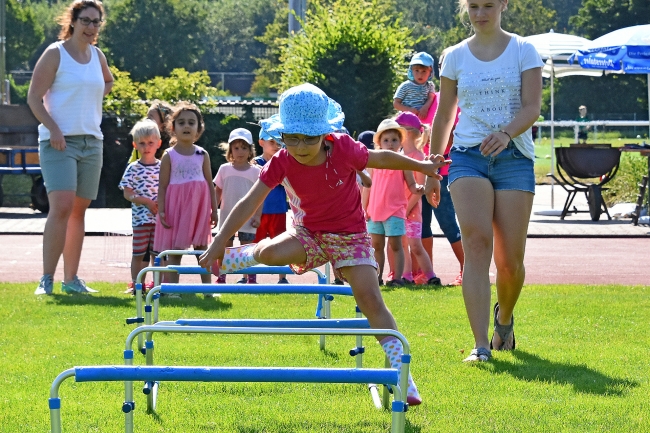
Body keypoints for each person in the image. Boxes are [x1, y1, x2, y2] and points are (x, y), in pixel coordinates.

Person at [199, 83, 450, 406]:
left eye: (309, 138)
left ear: (324, 134)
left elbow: (382, 158)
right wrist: (220, 239)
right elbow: (249, 201)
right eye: (293, 138)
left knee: (371, 299)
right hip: (309, 233)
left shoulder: (343, 148)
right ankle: (240, 257)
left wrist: (423, 166)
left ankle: (402, 374)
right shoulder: (282, 162)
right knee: (271, 253)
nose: (301, 146)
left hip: (351, 237)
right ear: (282, 135)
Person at [425, 0, 543, 362]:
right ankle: (480, 346)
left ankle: (503, 320)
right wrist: (432, 165)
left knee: (510, 263)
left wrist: (506, 135)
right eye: (474, 6)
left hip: (513, 159)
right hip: (467, 157)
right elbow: (445, 113)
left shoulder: (525, 50)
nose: (480, 13)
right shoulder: (455, 56)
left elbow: (531, 107)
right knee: (476, 244)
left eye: (488, 5)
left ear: (503, 5)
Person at [29, 0, 114, 295]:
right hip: (58, 142)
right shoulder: (56, 54)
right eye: (86, 21)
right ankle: (47, 279)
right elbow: (33, 98)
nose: (91, 27)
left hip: (92, 142)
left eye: (96, 22)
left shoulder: (97, 56)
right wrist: (54, 128)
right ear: (74, 21)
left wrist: (92, 101)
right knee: (62, 207)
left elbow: (108, 81)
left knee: (79, 212)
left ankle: (72, 280)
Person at [154, 102, 218, 286]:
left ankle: (207, 289)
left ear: (199, 128)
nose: (187, 126)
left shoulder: (202, 154)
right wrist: (163, 211)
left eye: (191, 122)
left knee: (202, 249)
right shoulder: (168, 155)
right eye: (181, 122)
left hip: (198, 209)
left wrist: (214, 210)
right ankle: (173, 289)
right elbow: (163, 186)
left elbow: (209, 184)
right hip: (176, 209)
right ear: (173, 128)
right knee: (175, 250)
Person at [362, 119, 423, 287]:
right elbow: (367, 187)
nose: (390, 144)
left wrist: (417, 188)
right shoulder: (373, 162)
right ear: (379, 143)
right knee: (376, 246)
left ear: (400, 142)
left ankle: (397, 278)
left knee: (396, 245)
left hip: (395, 211)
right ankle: (377, 277)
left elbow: (411, 183)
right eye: (386, 140)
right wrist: (364, 208)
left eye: (394, 140)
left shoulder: (403, 162)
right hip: (374, 211)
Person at [394, 112, 441, 286]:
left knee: (415, 245)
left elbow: (419, 189)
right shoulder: (398, 156)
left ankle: (431, 276)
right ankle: (406, 276)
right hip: (400, 209)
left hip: (412, 211)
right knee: (403, 244)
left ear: (408, 132)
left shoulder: (419, 158)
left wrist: (406, 209)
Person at [118, 119, 161, 295]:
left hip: (160, 220)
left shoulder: (164, 166)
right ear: (135, 145)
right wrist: (146, 201)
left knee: (157, 255)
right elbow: (127, 193)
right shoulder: (133, 168)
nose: (146, 147)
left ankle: (157, 286)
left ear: (158, 143)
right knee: (139, 254)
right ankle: (137, 286)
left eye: (150, 143)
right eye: (142, 143)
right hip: (141, 221)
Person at [213, 128, 262, 284]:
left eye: (244, 147)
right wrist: (213, 211)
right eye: (236, 148)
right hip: (227, 217)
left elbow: (261, 197)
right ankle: (221, 277)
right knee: (224, 247)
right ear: (230, 150)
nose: (240, 151)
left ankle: (250, 279)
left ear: (250, 150)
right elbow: (217, 192)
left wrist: (257, 216)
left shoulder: (256, 172)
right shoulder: (224, 169)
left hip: (248, 219)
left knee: (246, 250)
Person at [253, 128, 289, 284]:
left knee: (281, 245)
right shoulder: (254, 163)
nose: (276, 145)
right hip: (258, 213)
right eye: (271, 142)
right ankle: (250, 277)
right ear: (261, 142)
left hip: (279, 210)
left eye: (279, 142)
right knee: (253, 245)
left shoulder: (283, 163)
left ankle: (282, 278)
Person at [393, 52, 436, 124]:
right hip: (405, 120)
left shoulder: (430, 85)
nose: (420, 74)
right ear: (411, 71)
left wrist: (425, 108)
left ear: (430, 72)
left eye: (424, 71)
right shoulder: (405, 86)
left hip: (423, 119)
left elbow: (431, 98)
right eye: (416, 70)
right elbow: (396, 103)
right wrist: (409, 110)